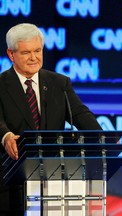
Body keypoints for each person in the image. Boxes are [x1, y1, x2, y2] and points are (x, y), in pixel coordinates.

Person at [0, 23, 103, 215]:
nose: (34, 58)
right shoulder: (1, 84)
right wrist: (5, 136)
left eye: (38, 50)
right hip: (9, 180)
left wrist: (102, 137)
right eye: (26, 52)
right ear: (11, 54)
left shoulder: (59, 83)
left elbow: (80, 114)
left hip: (52, 178)